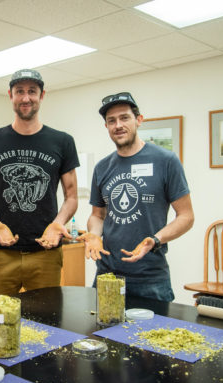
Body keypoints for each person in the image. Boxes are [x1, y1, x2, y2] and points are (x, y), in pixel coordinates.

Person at [0, 69, 79, 299]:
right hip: (1, 254)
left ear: (42, 95)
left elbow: (71, 197)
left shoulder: (63, 141)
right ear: (10, 95)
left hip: (45, 254)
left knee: (46, 322)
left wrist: (57, 224)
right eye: (20, 91)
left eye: (32, 91)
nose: (26, 97)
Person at [78, 92, 194, 302]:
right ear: (106, 127)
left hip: (150, 277)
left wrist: (156, 240)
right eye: (111, 121)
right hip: (108, 273)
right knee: (100, 333)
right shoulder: (102, 167)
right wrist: (94, 234)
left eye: (124, 118)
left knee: (153, 335)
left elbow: (186, 216)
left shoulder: (165, 161)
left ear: (139, 120)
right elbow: (98, 215)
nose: (118, 125)